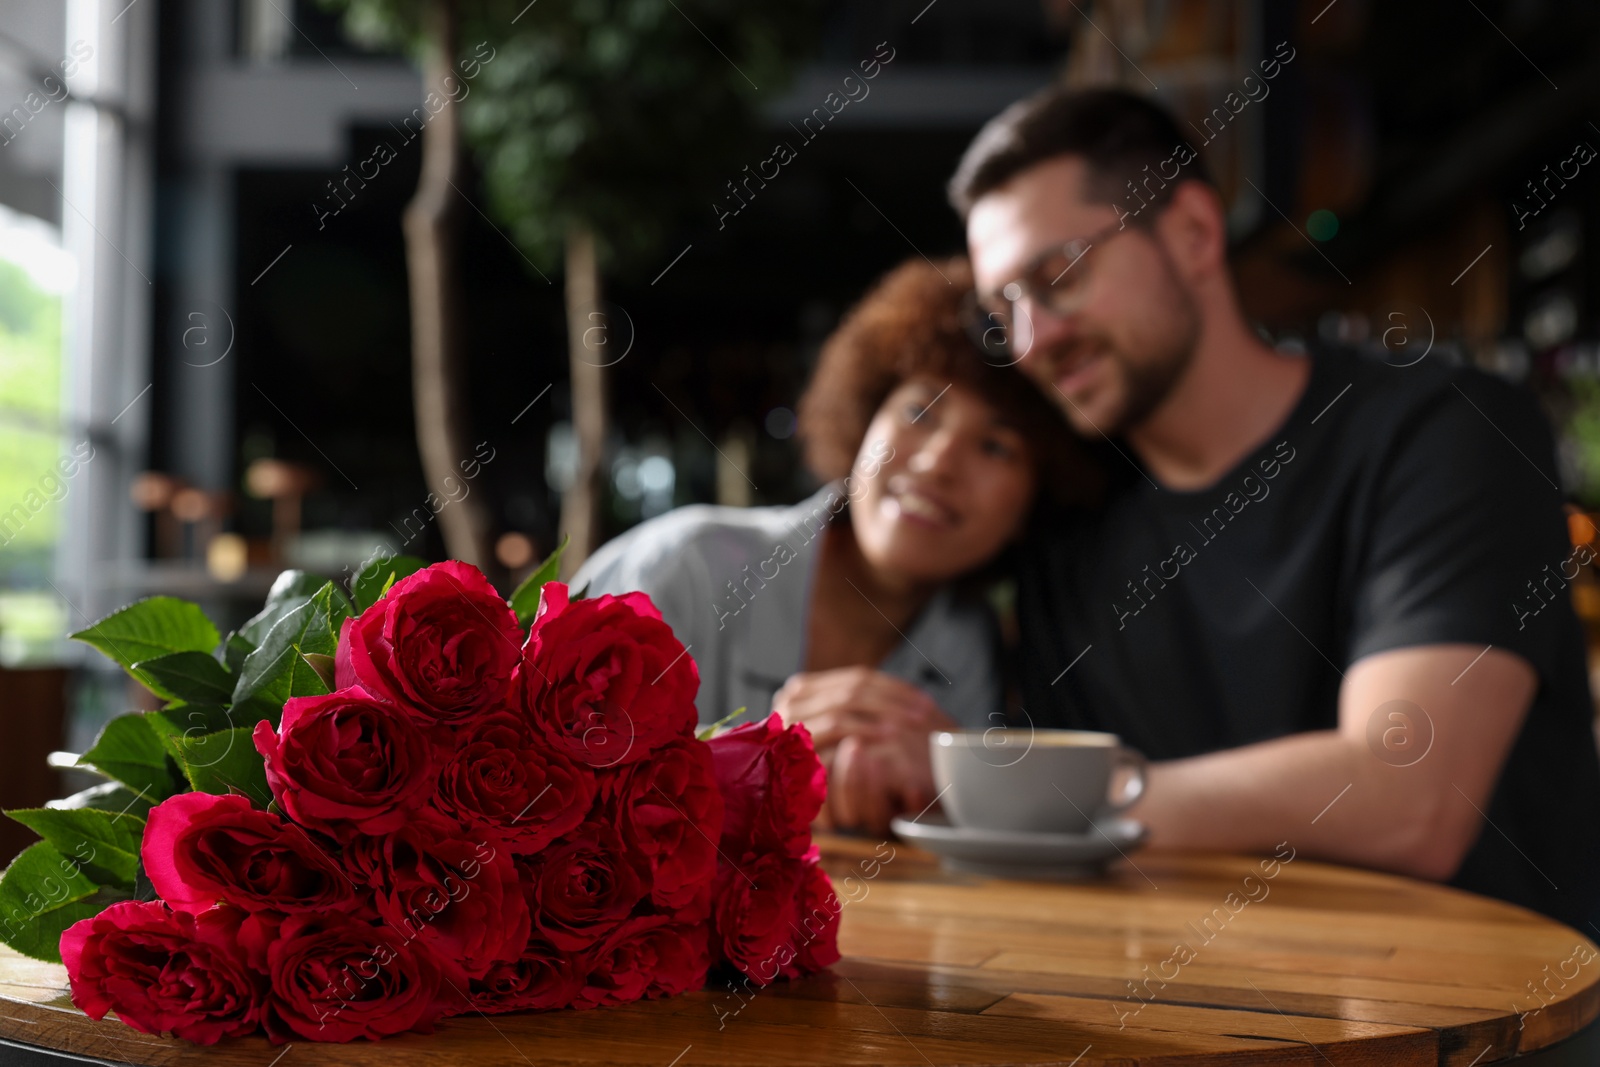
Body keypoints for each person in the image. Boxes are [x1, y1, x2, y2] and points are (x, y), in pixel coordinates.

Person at [881, 84, 1595, 929]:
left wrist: (1072, 794)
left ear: (1191, 231)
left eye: (1060, 275)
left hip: (1489, 1032)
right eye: (1004, 308)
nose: (1034, 339)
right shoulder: (1067, 512)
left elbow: (1409, 797)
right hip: (1196, 1016)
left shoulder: (1444, 431)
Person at [572, 257, 1097, 832]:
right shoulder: (682, 570)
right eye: (919, 410)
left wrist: (943, 788)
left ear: (1036, 504)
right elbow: (541, 792)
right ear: (864, 416)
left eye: (996, 447)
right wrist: (744, 768)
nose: (938, 462)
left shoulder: (968, 648)